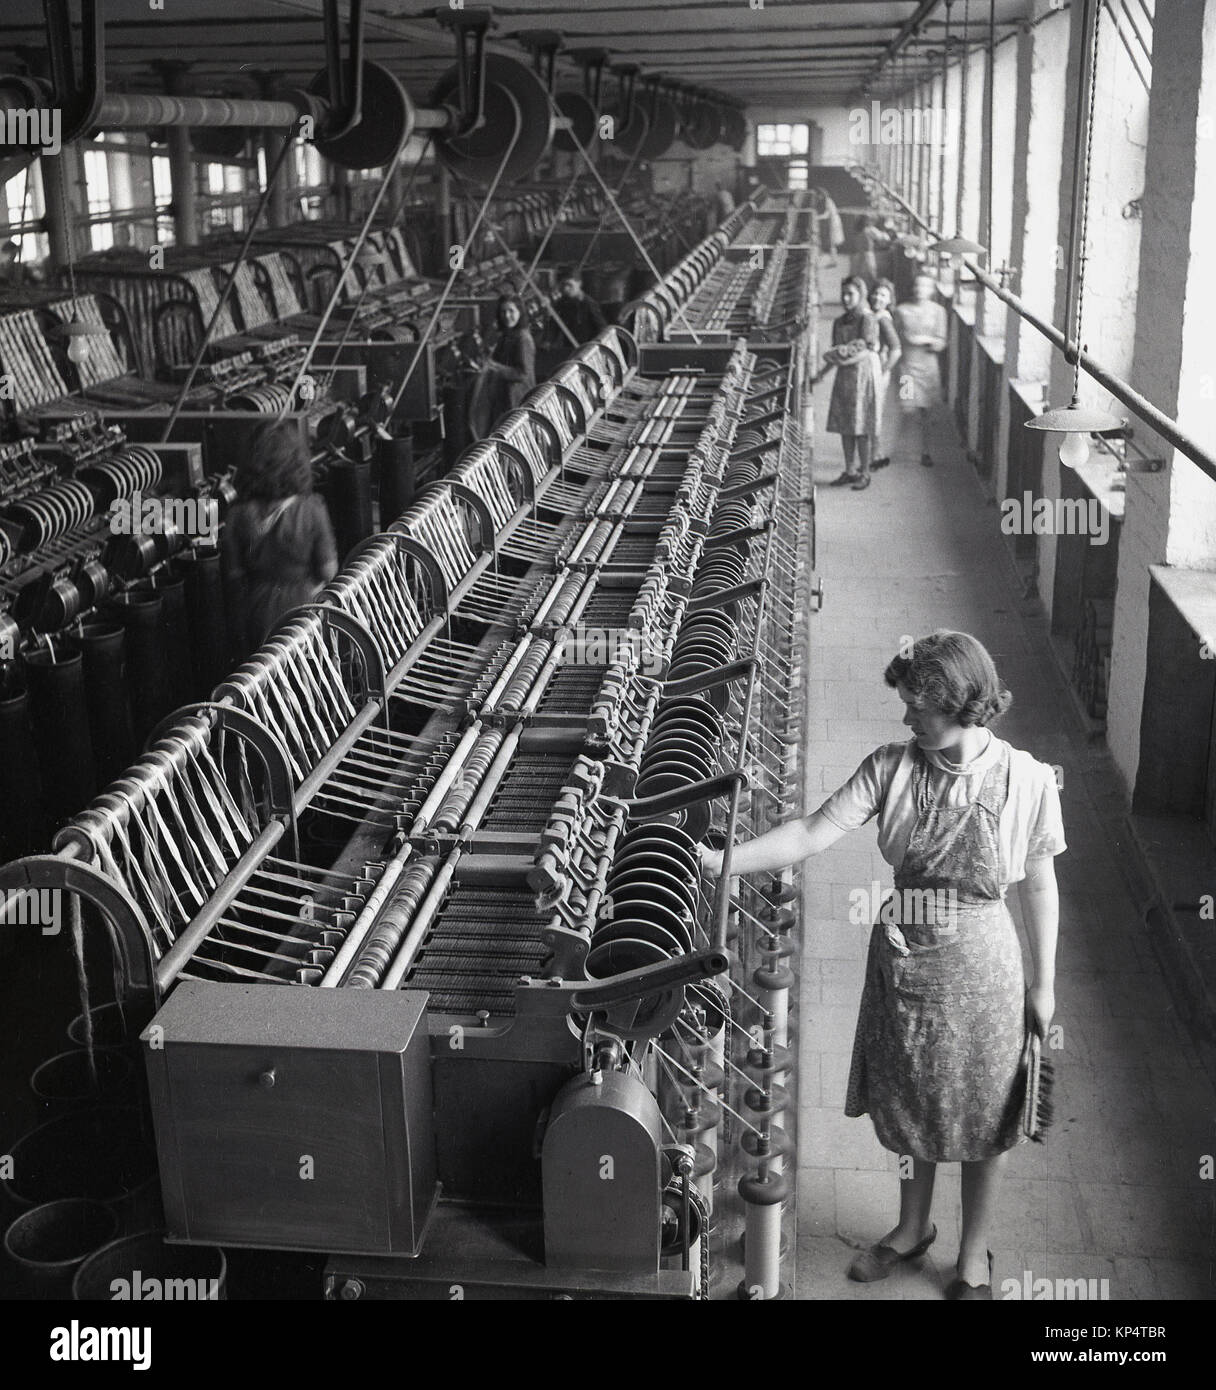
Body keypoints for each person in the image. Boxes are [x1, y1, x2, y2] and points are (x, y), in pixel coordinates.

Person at [699, 631, 1065, 1300]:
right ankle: (910, 1228)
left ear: (956, 705)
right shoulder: (892, 768)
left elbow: (1039, 883)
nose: (904, 720)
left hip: (986, 967)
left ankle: (973, 1254)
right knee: (911, 1100)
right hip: (906, 963)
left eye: (915, 708)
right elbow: (811, 833)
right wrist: (718, 861)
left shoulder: (1027, 779)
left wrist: (1043, 983)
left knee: (987, 1112)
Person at [220, 420, 339, 655]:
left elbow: (233, 578)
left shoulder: (236, 516)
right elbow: (329, 572)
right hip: (304, 609)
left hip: (257, 613)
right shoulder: (312, 510)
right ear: (296, 463)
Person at [818, 275, 881, 490]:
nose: (846, 298)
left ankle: (865, 472)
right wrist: (821, 374)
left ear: (861, 295)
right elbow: (836, 352)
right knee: (846, 426)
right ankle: (850, 470)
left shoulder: (867, 319)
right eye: (843, 294)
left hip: (862, 377)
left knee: (861, 426)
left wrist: (841, 359)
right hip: (844, 378)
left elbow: (867, 350)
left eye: (850, 294)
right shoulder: (838, 322)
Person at [890, 270, 949, 468]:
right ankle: (899, 447)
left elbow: (941, 342)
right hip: (907, 366)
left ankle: (925, 450)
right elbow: (893, 338)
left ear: (932, 289)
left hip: (929, 368)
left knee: (926, 410)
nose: (920, 289)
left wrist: (923, 340)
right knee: (907, 408)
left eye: (925, 286)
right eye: (917, 285)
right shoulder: (901, 311)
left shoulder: (939, 312)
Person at [481, 294, 536, 423]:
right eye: (503, 311)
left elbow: (523, 374)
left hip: (517, 399)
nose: (506, 316)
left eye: (511, 311)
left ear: (520, 312)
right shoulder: (508, 334)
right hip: (506, 397)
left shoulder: (523, 338)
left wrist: (495, 367)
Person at [868, 279, 902, 471]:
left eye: (883, 295)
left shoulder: (883, 318)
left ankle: (876, 454)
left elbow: (897, 350)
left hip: (879, 369)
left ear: (889, 300)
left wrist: (883, 371)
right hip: (874, 368)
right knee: (871, 412)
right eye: (876, 293)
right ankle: (875, 452)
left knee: (874, 413)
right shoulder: (874, 314)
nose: (877, 298)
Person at [550, 268, 607, 347]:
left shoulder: (589, 303)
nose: (566, 289)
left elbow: (601, 328)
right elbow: (554, 324)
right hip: (569, 346)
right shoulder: (562, 304)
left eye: (569, 285)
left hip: (588, 346)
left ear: (579, 284)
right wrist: (548, 341)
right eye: (563, 285)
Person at [846, 215, 891, 290]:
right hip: (867, 255)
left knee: (856, 275)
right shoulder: (870, 230)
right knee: (869, 275)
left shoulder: (857, 231)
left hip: (856, 256)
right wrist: (884, 232)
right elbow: (885, 238)